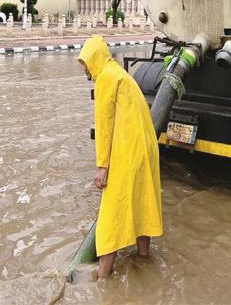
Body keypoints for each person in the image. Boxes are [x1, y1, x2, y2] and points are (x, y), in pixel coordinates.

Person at [78, 36, 163, 278]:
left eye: (84, 63)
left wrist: (102, 166)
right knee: (142, 203)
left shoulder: (106, 78)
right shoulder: (120, 74)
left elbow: (104, 125)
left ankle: (103, 279)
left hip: (127, 152)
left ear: (94, 59)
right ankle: (144, 260)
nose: (84, 68)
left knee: (111, 216)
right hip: (145, 151)